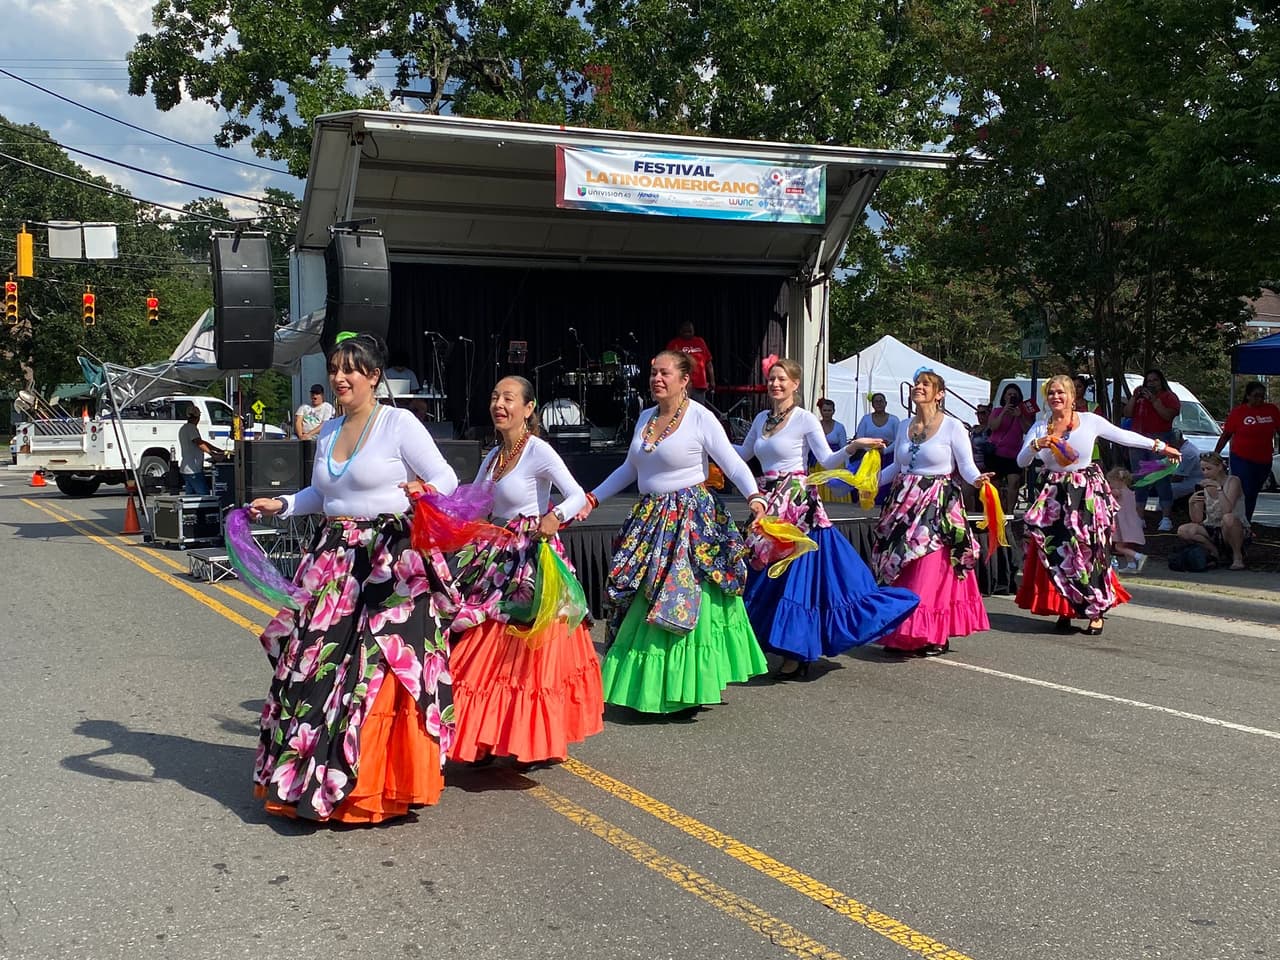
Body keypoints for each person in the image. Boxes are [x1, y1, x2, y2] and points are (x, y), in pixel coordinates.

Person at [247, 332, 460, 824]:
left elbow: (447, 478)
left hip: (389, 561)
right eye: (335, 370)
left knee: (375, 667)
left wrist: (422, 488)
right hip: (334, 560)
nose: (339, 378)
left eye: (351, 370)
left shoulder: (398, 423)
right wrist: (280, 505)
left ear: (374, 377)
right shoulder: (327, 431)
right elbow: (323, 496)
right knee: (313, 663)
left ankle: (373, 785)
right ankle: (310, 776)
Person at [574, 350, 767, 714]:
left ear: (684, 380)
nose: (656, 379)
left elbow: (732, 463)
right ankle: (651, 685)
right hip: (651, 517)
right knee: (643, 593)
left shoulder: (700, 418)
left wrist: (755, 497)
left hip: (690, 519)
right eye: (652, 373)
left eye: (664, 373)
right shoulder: (645, 418)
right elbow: (630, 468)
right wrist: (593, 499)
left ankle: (685, 685)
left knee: (683, 596)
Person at [444, 376, 603, 765]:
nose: (499, 404)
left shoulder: (538, 451)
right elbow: (476, 503)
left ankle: (525, 736)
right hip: (496, 558)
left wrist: (554, 517)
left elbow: (577, 495)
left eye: (508, 398)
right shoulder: (494, 456)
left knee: (525, 653)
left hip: (531, 561)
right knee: (481, 642)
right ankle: (482, 734)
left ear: (529, 409)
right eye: (495, 397)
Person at [738, 359, 919, 678]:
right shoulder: (762, 420)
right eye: (771, 379)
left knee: (795, 576)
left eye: (782, 379)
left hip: (797, 503)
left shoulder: (804, 419)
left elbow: (826, 459)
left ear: (795, 384)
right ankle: (770, 641)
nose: (775, 384)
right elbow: (743, 455)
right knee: (763, 571)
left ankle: (796, 650)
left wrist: (854, 446)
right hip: (768, 502)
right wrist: (707, 444)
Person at [1016, 375, 1180, 636]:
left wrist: (1159, 446)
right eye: (1051, 393)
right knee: (1058, 551)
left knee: (1091, 550)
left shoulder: (1089, 421)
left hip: (1086, 492)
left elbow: (1124, 436)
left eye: (1061, 392)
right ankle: (1065, 608)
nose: (1056, 397)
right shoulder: (1040, 427)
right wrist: (1037, 445)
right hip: (1055, 494)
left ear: (1072, 396)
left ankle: (1096, 610)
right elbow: (1022, 461)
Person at [871, 370, 993, 657]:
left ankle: (932, 633)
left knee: (928, 569)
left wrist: (978, 481)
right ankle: (901, 632)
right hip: (903, 504)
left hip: (936, 505)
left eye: (926, 384)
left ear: (940, 394)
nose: (919, 388)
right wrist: (866, 482)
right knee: (903, 566)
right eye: (917, 383)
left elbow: (965, 466)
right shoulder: (904, 426)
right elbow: (899, 467)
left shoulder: (952, 427)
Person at [1123, 369, 1181, 532]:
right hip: (1139, 439)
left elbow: (1167, 416)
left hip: (1160, 438)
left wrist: (1154, 400)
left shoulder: (1169, 397)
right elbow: (1127, 413)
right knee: (1140, 477)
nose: (1151, 383)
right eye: (1148, 381)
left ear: (1161, 381)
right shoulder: (1139, 397)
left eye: (1155, 380)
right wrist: (1135, 397)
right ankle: (1139, 517)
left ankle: (1166, 518)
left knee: (1161, 478)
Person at [1214, 381, 1280, 522]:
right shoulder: (1239, 412)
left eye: (1262, 397)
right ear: (1248, 396)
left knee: (1253, 491)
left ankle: (1246, 521)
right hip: (1242, 458)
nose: (1260, 400)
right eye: (1256, 396)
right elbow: (1226, 435)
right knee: (1244, 489)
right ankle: (1237, 521)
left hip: (1263, 459)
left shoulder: (1271, 410)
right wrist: (1216, 453)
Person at [1178, 453, 1250, 570]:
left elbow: (1227, 509)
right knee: (1184, 530)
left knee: (1228, 518)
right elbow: (1197, 519)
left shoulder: (1233, 481)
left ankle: (1237, 556)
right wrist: (1191, 503)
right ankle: (1214, 552)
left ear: (1220, 467)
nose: (1205, 472)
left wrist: (1219, 488)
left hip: (1233, 527)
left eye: (1209, 469)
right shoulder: (1203, 485)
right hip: (1212, 527)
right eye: (1203, 469)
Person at [986, 383, 1035, 512]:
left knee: (1014, 482)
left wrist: (1019, 416)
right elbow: (993, 427)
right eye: (1009, 395)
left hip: (1014, 454)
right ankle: (998, 509)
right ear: (1004, 397)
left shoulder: (1023, 413)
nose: (1012, 397)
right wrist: (1004, 412)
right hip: (997, 453)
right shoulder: (997, 411)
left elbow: (1027, 430)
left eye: (1014, 395)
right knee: (995, 484)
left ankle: (1009, 511)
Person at [1106, 467, 1148, 573]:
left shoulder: (1117, 492)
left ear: (1118, 481)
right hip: (1131, 523)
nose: (1110, 485)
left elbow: (1109, 494)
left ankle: (1139, 557)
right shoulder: (1131, 492)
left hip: (1124, 524)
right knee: (1125, 545)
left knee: (1119, 547)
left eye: (1111, 482)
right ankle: (1131, 564)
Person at [177, 405, 226, 495]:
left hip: (186, 469)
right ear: (197, 417)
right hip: (193, 470)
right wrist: (212, 454)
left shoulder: (184, 428)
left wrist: (216, 449)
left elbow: (201, 442)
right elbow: (199, 443)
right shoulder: (191, 428)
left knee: (191, 497)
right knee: (204, 496)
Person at [664, 320, 715, 404]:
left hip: (699, 384)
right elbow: (667, 364)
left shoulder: (700, 341)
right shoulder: (674, 344)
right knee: (681, 408)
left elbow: (708, 363)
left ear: (694, 331)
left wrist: (712, 380)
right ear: (680, 331)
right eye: (685, 332)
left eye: (690, 331)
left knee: (698, 410)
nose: (688, 334)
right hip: (681, 384)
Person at [815, 397, 851, 503]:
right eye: (824, 410)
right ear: (820, 411)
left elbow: (845, 448)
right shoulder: (815, 425)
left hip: (836, 463)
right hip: (819, 463)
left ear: (833, 411)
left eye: (829, 410)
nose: (826, 413)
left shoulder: (839, 427)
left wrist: (847, 467)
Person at [854, 393, 899, 462]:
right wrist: (871, 450)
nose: (878, 403)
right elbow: (860, 438)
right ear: (872, 404)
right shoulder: (865, 419)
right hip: (869, 457)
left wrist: (885, 451)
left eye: (881, 401)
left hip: (889, 457)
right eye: (876, 401)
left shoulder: (894, 420)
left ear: (885, 403)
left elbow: (898, 440)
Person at [1168, 430, 1203, 502]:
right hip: (1189, 478)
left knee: (1167, 488)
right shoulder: (1187, 446)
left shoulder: (1186, 453)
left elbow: (1178, 478)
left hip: (1193, 482)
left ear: (1176, 441)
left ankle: (1164, 510)